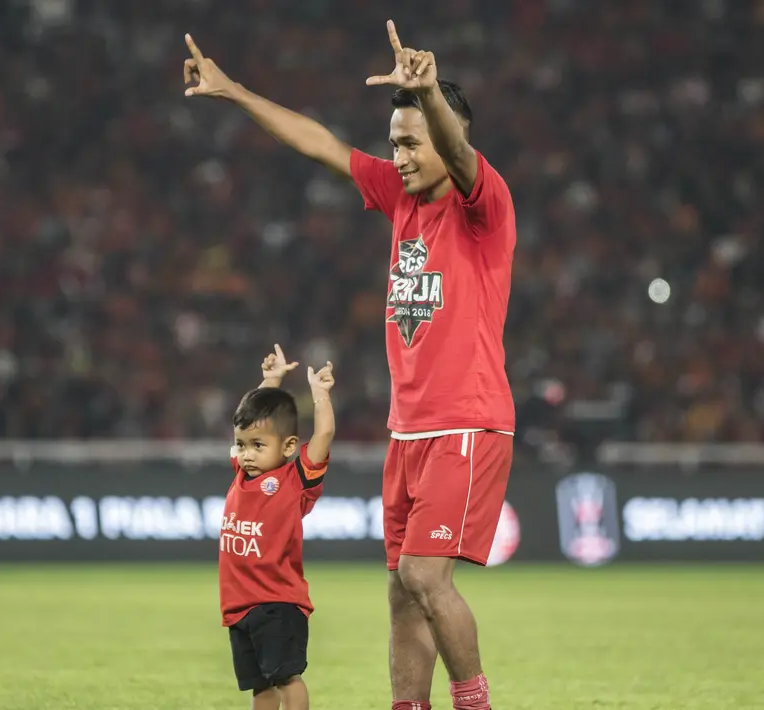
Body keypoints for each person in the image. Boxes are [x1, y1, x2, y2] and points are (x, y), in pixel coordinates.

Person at [186, 19, 515, 710]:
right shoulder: (399, 199)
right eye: (392, 144)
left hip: (465, 422)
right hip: (409, 430)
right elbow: (321, 144)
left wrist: (428, 95)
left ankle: (474, 703)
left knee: (427, 578)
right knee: (400, 590)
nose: (396, 156)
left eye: (409, 142)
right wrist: (235, 91)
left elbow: (457, 150)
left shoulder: (481, 204)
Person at [219, 344, 336, 710]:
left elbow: (324, 435)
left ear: (288, 447)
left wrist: (320, 395)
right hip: (239, 605)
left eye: (257, 445)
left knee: (287, 678)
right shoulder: (241, 473)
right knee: (261, 687)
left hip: (277, 604)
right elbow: (246, 416)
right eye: (241, 445)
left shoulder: (294, 480)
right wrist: (270, 380)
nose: (246, 453)